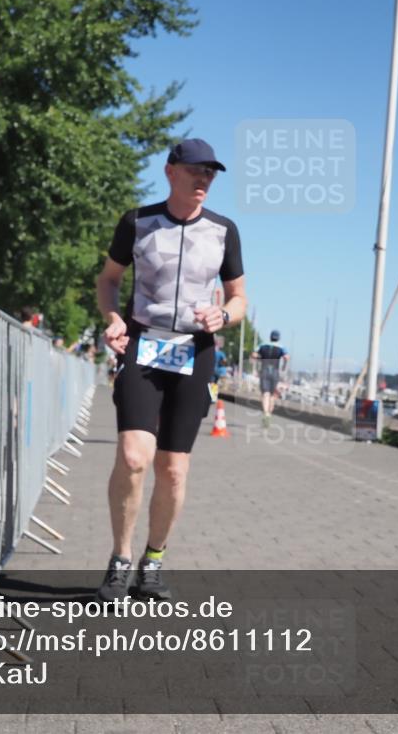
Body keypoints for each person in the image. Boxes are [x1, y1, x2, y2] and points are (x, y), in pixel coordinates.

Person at [94, 138, 247, 602]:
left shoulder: (224, 230)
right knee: (134, 457)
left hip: (194, 353)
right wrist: (113, 318)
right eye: (196, 170)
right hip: (143, 345)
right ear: (171, 171)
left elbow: (239, 297)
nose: (204, 179)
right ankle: (120, 561)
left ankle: (153, 561)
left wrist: (225, 316)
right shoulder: (137, 222)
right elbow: (108, 280)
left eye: (211, 173)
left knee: (174, 470)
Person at [252, 331, 289, 428]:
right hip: (275, 372)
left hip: (264, 370)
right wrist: (284, 367)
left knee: (265, 393)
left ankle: (265, 413)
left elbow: (254, 355)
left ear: (270, 337)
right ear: (278, 338)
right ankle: (269, 413)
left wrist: (260, 359)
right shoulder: (281, 347)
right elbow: (286, 357)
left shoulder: (262, 345)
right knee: (273, 394)